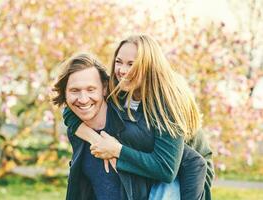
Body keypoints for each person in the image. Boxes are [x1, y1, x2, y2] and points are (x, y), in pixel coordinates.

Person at [62, 35, 214, 200]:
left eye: (131, 64)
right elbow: (72, 111)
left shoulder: (168, 102)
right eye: (119, 62)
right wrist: (96, 140)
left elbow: (167, 168)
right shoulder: (119, 88)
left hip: (187, 170)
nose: (122, 70)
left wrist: (116, 150)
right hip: (156, 160)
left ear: (148, 66)